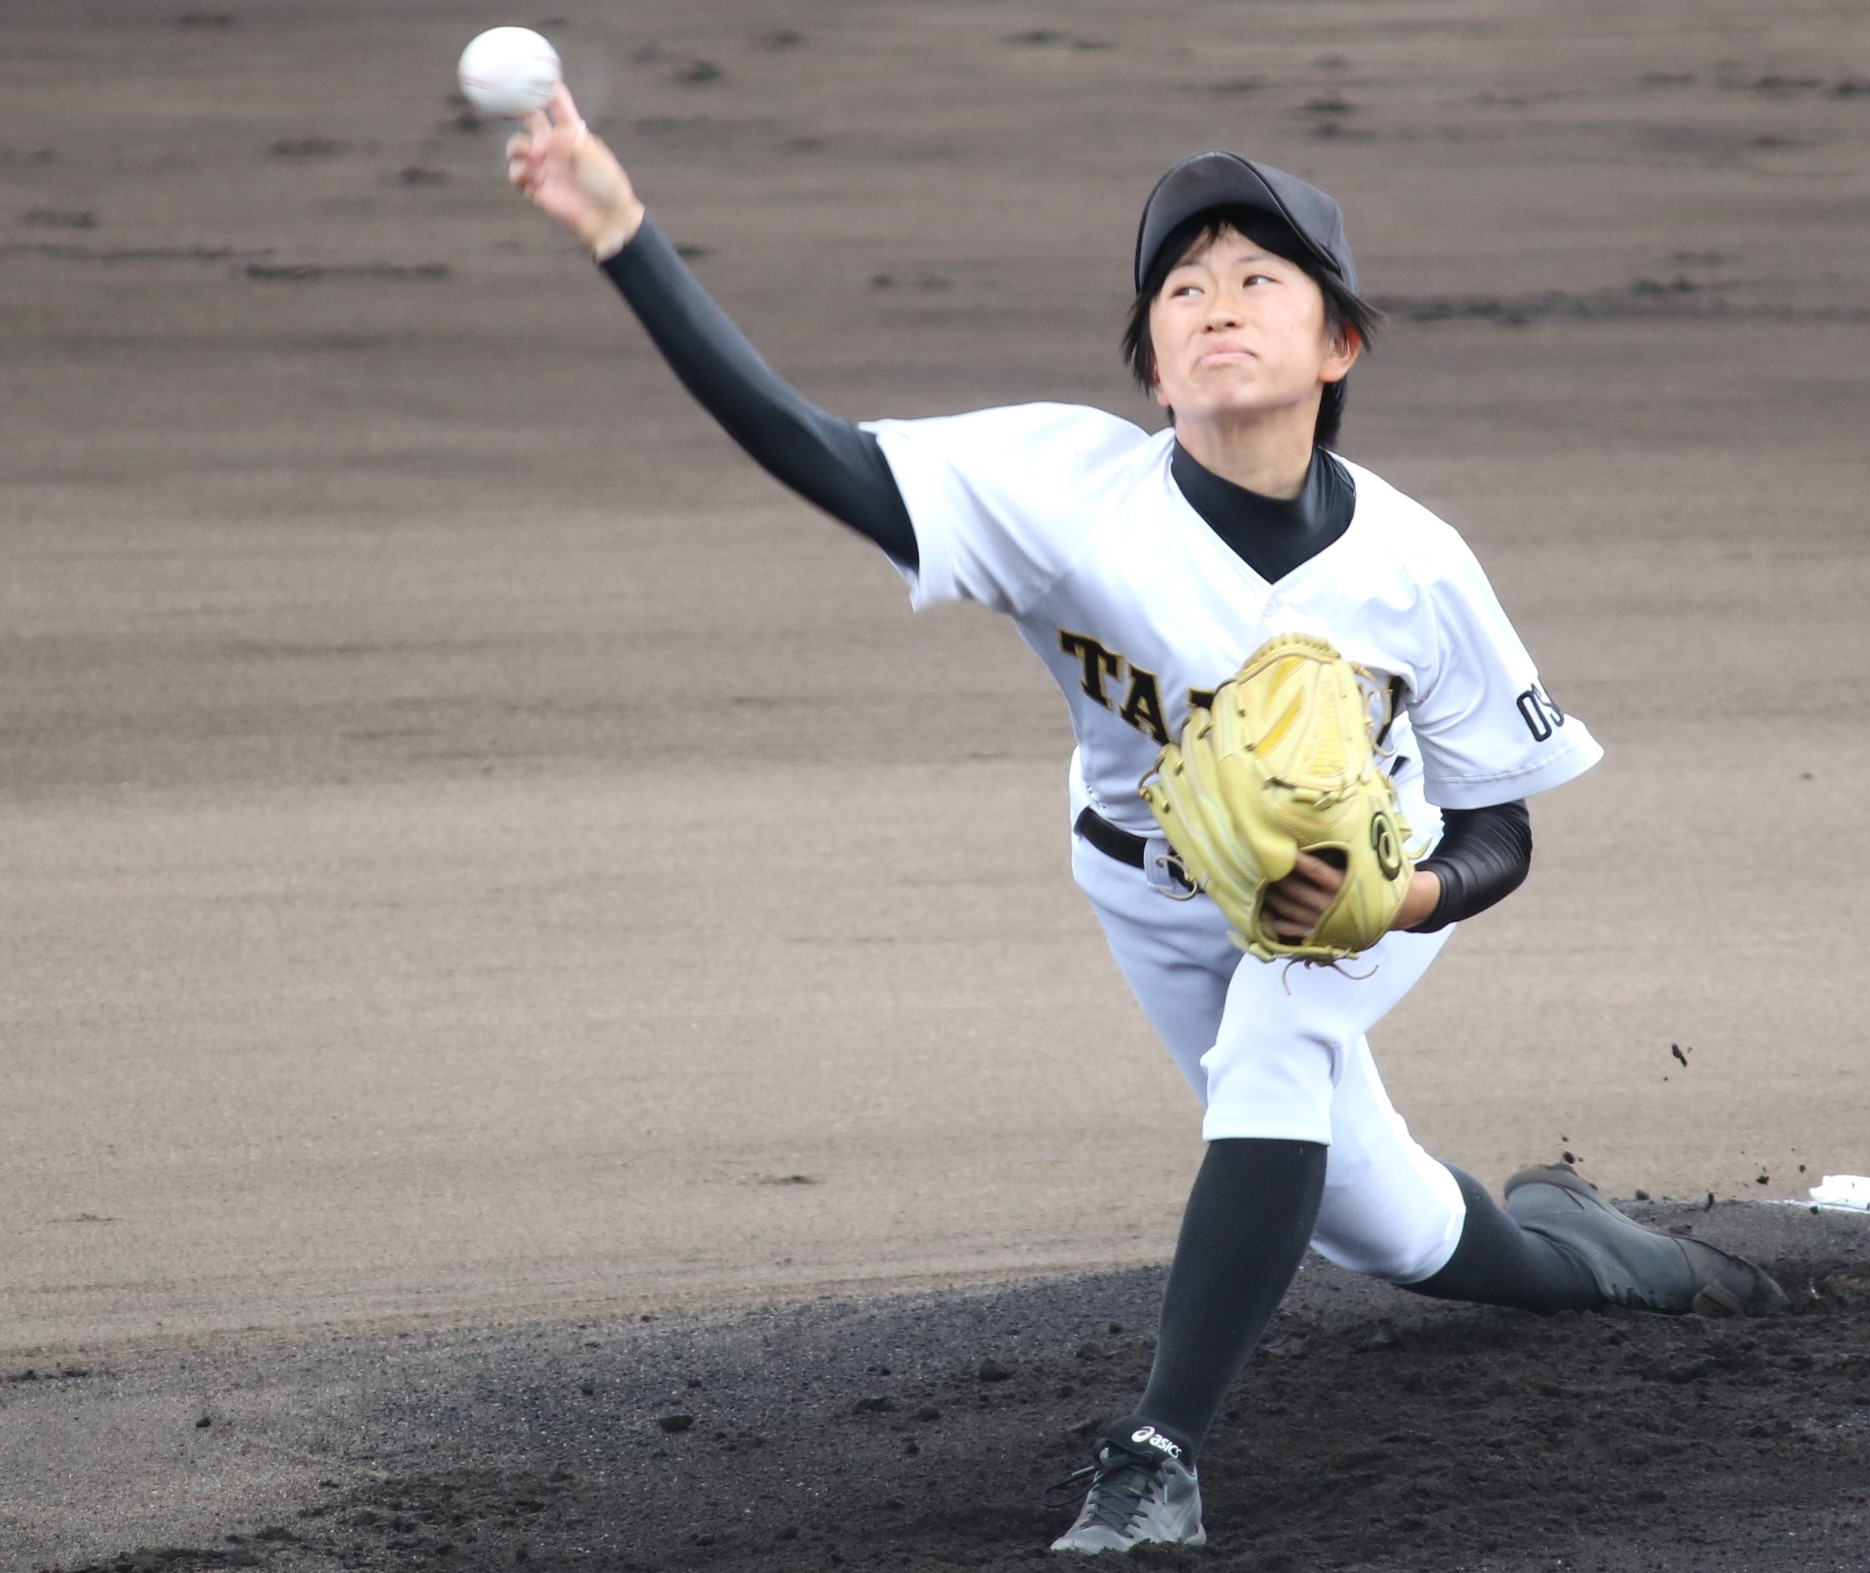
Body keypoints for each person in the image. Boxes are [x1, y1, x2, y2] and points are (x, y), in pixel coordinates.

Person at [503, 86, 1786, 1556]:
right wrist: (623, 233)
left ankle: (1156, 1454)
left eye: (1257, 278)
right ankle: (1602, 1263)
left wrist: (1401, 899)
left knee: (1280, 1040)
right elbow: (811, 447)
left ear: (1338, 342)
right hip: (1143, 892)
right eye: (1182, 288)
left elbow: (1500, 824)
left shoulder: (1419, 568)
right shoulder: (1065, 494)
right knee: (1374, 1221)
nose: (1215, 304)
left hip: (1354, 887)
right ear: (1152, 361)